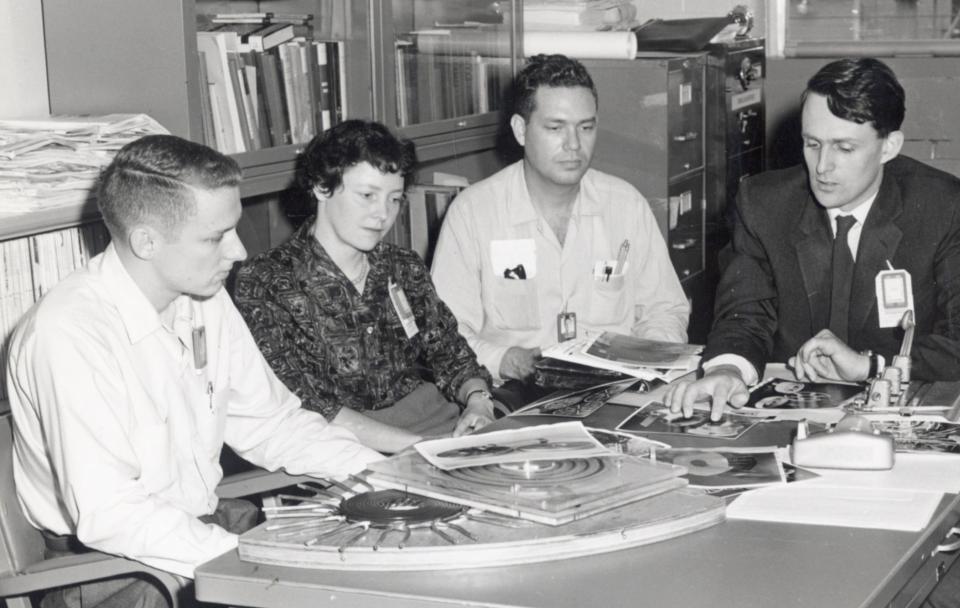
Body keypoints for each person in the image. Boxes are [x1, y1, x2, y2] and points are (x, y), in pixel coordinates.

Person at [6, 134, 384, 607]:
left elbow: (272, 423)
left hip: (196, 529)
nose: (240, 252)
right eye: (215, 237)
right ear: (146, 241)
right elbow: (112, 513)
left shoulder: (204, 297)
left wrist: (383, 477)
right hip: (110, 569)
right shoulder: (69, 332)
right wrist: (246, 562)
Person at [664, 57, 960, 423]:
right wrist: (728, 371)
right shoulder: (763, 203)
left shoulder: (942, 207)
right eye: (812, 143)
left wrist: (870, 365)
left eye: (844, 148)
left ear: (889, 147)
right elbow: (745, 315)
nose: (822, 167)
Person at [431, 54, 689, 403]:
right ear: (521, 130)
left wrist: (648, 359)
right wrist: (507, 360)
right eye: (555, 128)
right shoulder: (473, 214)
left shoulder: (625, 205)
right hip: (514, 393)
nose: (574, 145)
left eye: (586, 127)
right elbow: (447, 335)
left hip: (617, 392)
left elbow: (665, 308)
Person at [234, 120, 497, 455]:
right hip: (345, 447)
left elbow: (450, 354)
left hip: (441, 426)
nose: (382, 214)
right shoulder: (267, 281)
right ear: (321, 187)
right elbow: (307, 403)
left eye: (395, 199)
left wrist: (479, 403)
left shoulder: (402, 266)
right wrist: (421, 448)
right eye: (367, 196)